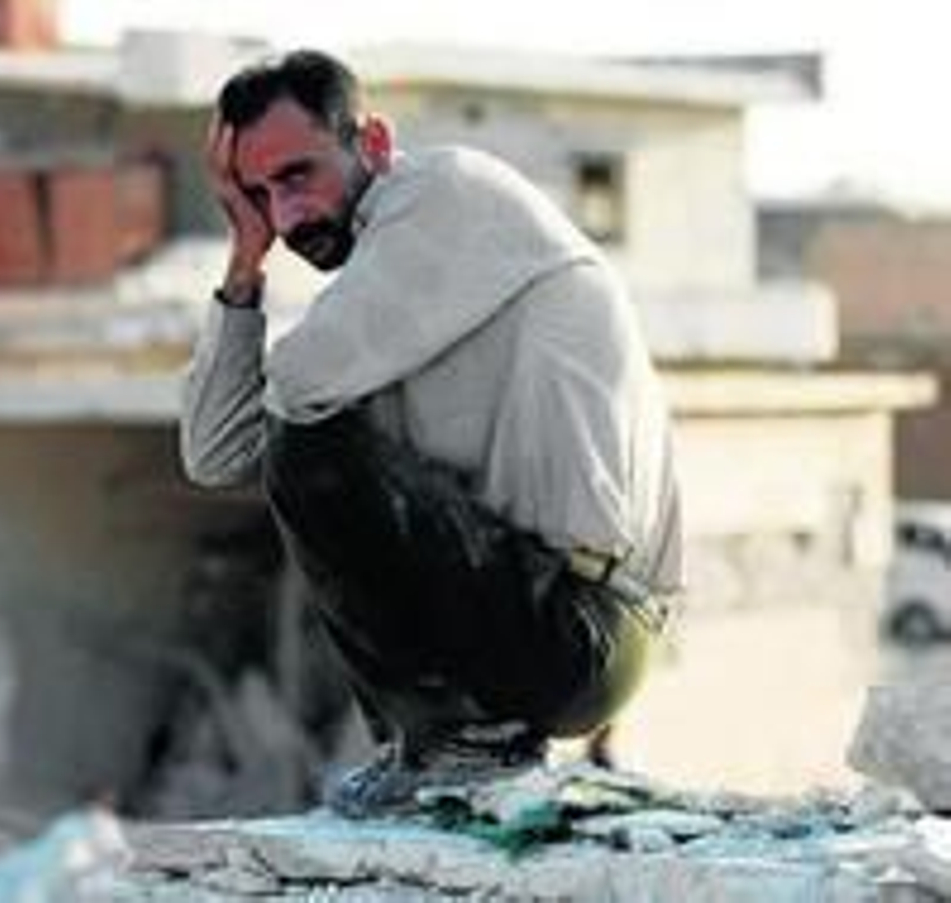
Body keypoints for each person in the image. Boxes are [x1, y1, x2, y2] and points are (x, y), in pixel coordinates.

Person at [180, 48, 682, 818]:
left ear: (372, 144)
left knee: (311, 444)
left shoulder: (448, 197)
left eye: (298, 177)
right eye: (257, 195)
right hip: (534, 620)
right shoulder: (384, 284)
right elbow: (215, 455)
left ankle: (458, 742)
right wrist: (245, 260)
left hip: (585, 630)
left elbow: (295, 397)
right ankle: (436, 742)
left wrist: (284, 389)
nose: (287, 217)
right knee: (305, 433)